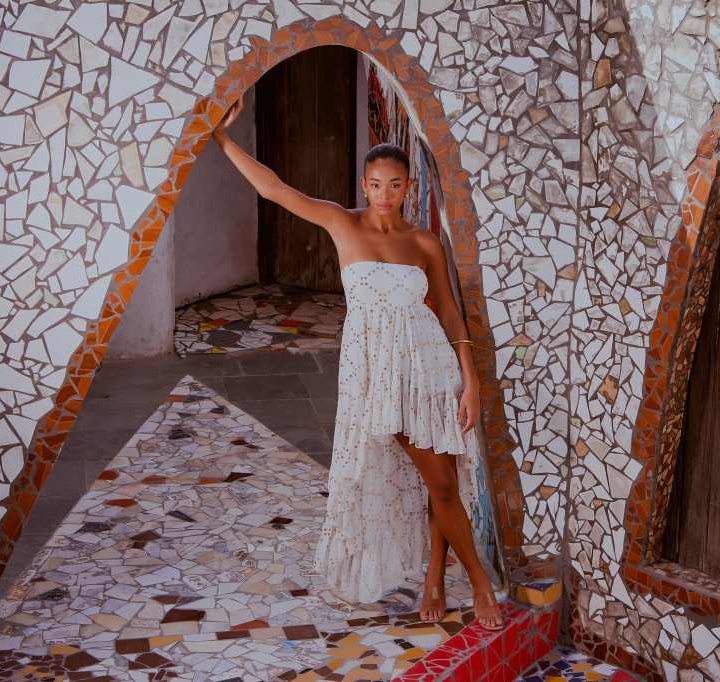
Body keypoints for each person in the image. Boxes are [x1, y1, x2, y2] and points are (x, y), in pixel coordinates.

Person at [211, 95, 504, 630]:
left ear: (407, 187)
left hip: (431, 367)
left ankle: (438, 578)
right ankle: (479, 583)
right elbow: (273, 189)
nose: (385, 194)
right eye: (375, 185)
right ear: (363, 187)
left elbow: (450, 315)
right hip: (378, 375)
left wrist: (470, 381)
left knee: (441, 478)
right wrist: (221, 138)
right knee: (439, 479)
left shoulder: (425, 242)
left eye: (395, 185)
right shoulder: (341, 223)